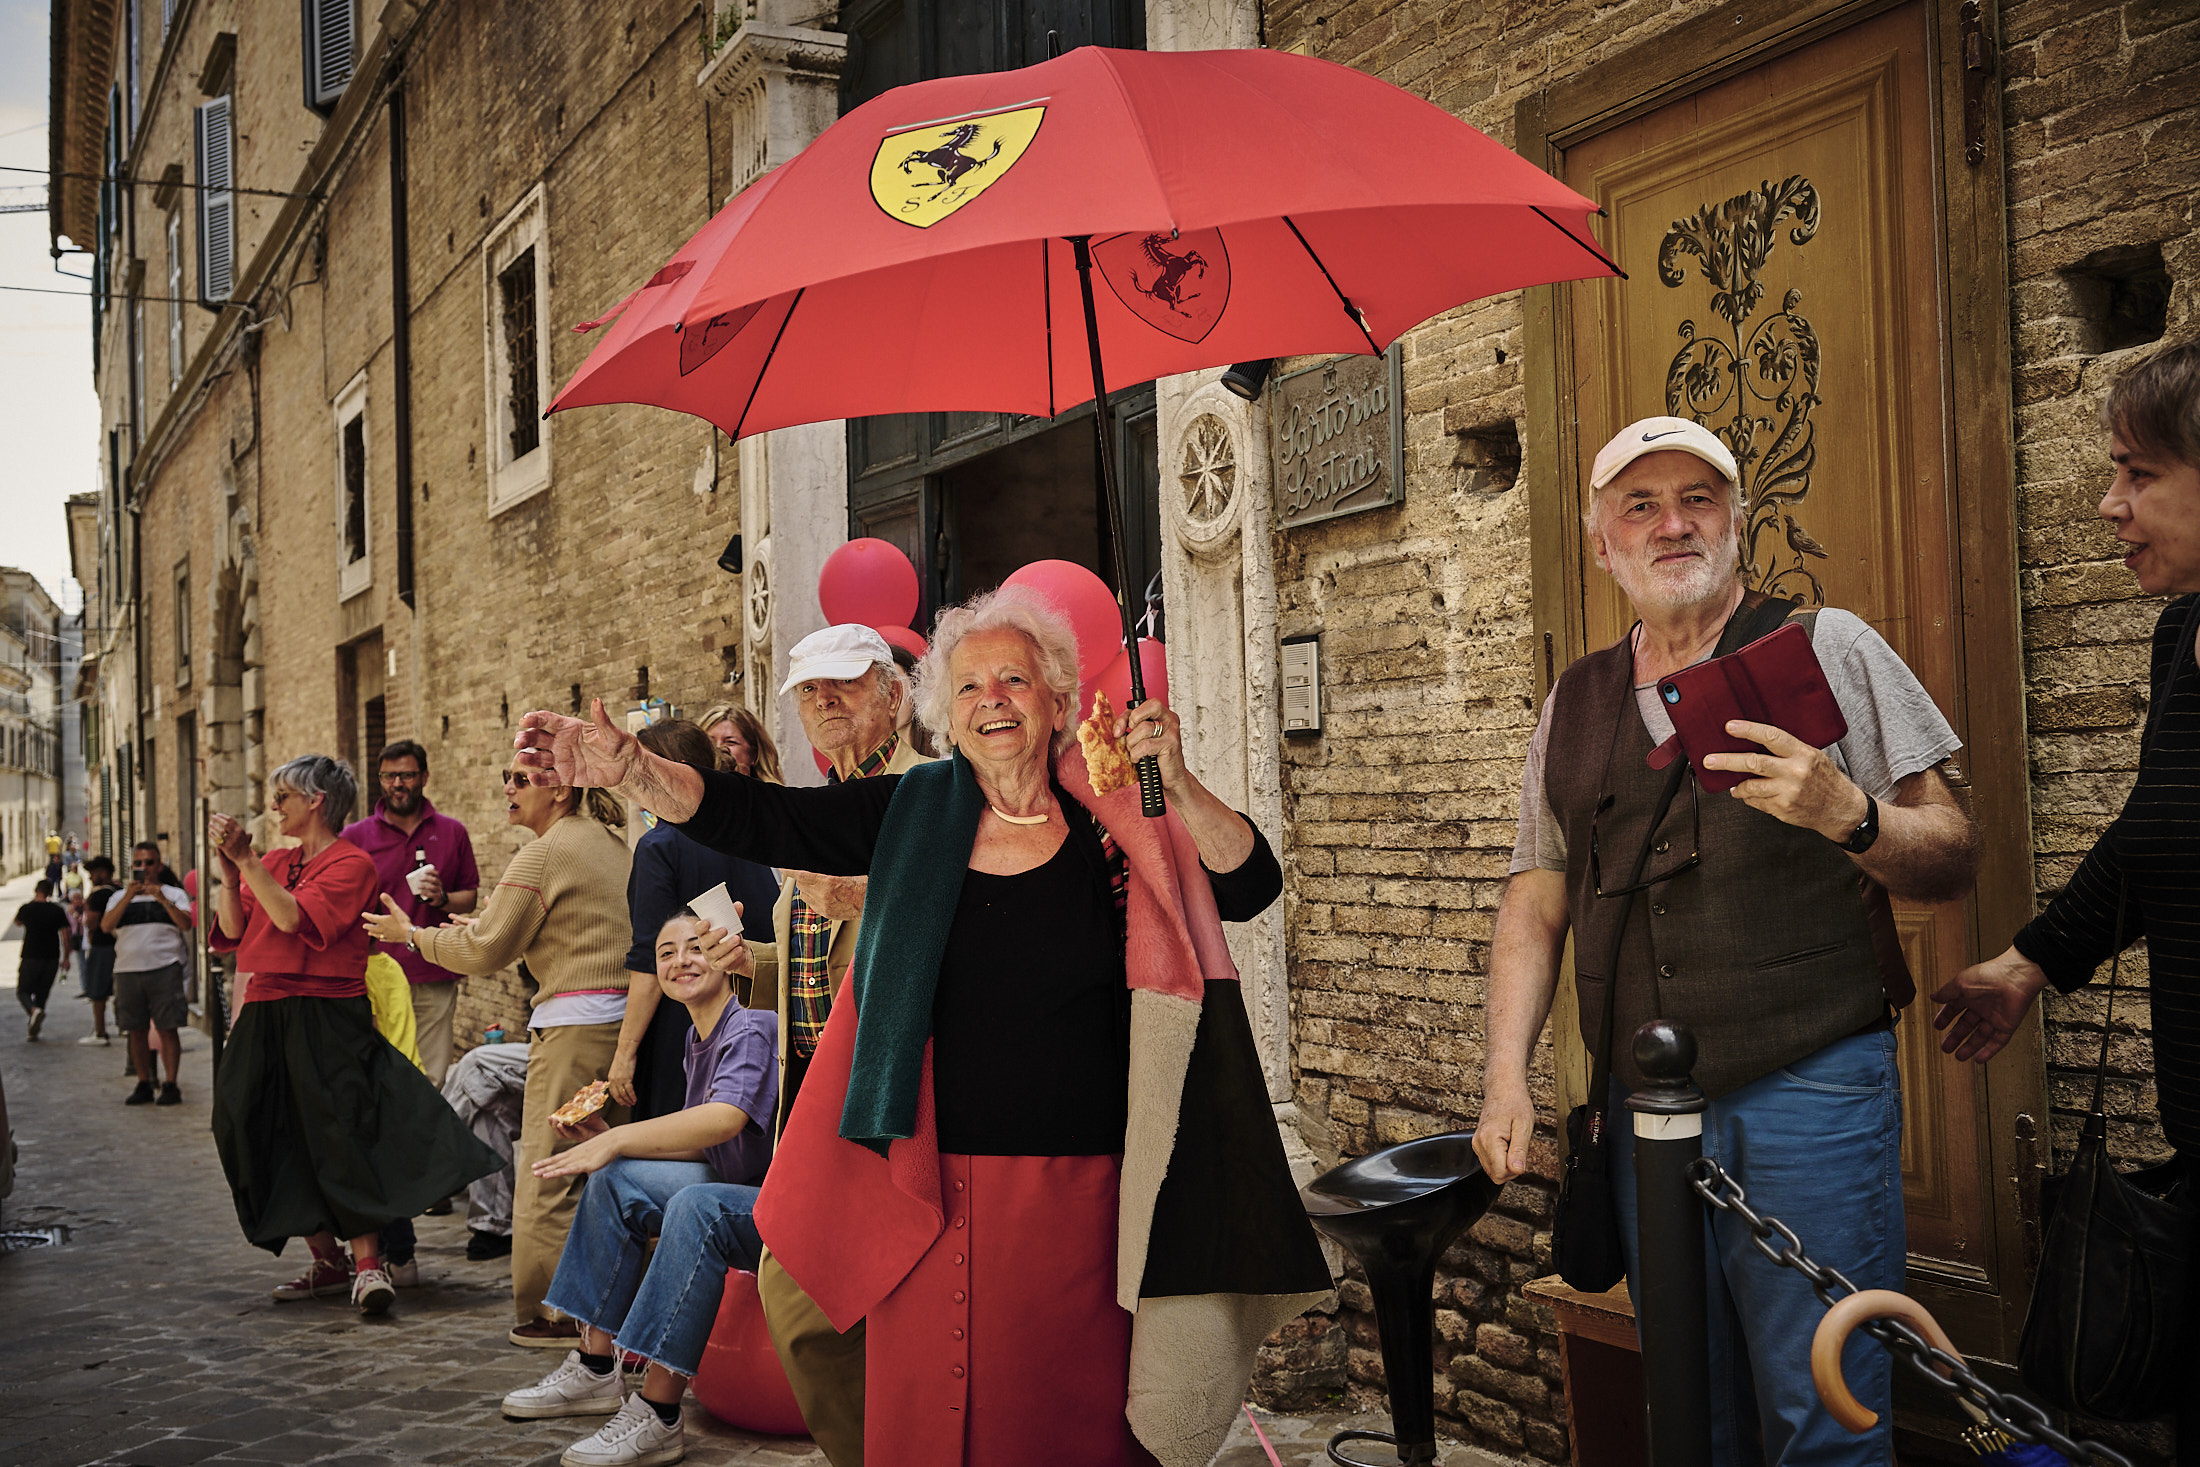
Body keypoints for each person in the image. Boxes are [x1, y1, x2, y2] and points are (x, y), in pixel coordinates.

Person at [514, 586, 1330, 1467]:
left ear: (1057, 698)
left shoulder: (1114, 816)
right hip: (928, 1191)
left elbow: (1249, 885)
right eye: (971, 686)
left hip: (1086, 1195)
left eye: (1016, 679)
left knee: (1068, 1424)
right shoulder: (914, 810)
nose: (994, 701)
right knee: (935, 1422)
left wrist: (1175, 783)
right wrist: (632, 768)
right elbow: (760, 814)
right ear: (946, 712)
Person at [1471, 416, 1978, 1466]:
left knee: (1825, 1408)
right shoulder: (1573, 702)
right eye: (1639, 506)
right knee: (1689, 1412)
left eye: (1697, 499)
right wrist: (1503, 1078)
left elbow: (1953, 852)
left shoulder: (1827, 648)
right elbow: (1535, 895)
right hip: (1640, 1116)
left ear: (1738, 526)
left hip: (1808, 1088)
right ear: (1600, 542)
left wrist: (1850, 813)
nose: (1671, 524)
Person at [1932, 340, 2200, 1452]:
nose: (2108, 504)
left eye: (2138, 473)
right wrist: (2029, 959)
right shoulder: (2183, 634)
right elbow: (2156, 835)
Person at [733, 623, 935, 1466]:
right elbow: (816, 967)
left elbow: (951, 929)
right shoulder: (819, 808)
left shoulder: (930, 790)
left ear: (893, 693)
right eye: (809, 691)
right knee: (814, 1297)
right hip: (817, 1105)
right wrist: (744, 960)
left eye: (844, 685)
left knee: (817, 1297)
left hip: (898, 1099)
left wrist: (863, 899)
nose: (823, 702)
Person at [208, 755, 502, 1316]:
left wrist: (246, 860)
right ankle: (326, 1258)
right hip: (267, 1007)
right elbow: (231, 929)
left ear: (316, 801)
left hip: (328, 1010)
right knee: (250, 1124)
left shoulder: (351, 865)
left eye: (284, 796)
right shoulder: (272, 860)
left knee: (340, 1128)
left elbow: (293, 919)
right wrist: (231, 873)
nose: (276, 807)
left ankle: (368, 1266)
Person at [362, 765, 635, 1349]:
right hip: (612, 1025)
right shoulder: (603, 840)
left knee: (546, 1174)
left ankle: (556, 1314)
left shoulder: (543, 853)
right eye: (507, 775)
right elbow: (555, 925)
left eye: (522, 776)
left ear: (561, 789)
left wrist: (412, 934)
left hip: (572, 1028)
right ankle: (602, 1307)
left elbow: (485, 951)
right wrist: (480, 925)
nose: (507, 787)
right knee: (599, 1169)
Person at [500, 909, 778, 1467]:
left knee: (696, 1206)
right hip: (735, 1183)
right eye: (666, 952)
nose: (680, 961)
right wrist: (616, 1145)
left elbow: (724, 1119)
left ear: (725, 956)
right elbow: (706, 1142)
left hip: (777, 1205)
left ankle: (660, 1413)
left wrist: (623, 1136)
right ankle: (595, 1368)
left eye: (695, 947)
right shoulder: (697, 1038)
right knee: (617, 1177)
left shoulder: (752, 1024)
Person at [612, 720, 778, 1122]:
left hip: (688, 1028)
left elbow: (651, 963)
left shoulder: (659, 847)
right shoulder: (749, 836)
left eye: (639, 768)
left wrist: (624, 1052)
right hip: (756, 1020)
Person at [341, 738, 482, 1083]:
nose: (397, 784)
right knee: (375, 1072)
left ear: (424, 777)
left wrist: (443, 898)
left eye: (406, 775)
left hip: (433, 969)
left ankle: (423, 1137)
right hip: (371, 975)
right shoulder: (355, 836)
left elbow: (470, 898)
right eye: (388, 776)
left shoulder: (452, 832)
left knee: (431, 1076)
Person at [101, 840, 195, 1107]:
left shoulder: (174, 894)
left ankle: (171, 1084)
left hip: (165, 968)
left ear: (159, 865)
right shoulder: (118, 897)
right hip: (128, 971)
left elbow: (186, 924)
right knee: (136, 1030)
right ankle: (143, 1082)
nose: (144, 868)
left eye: (149, 863)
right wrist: (129, 895)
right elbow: (106, 926)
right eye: (138, 864)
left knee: (168, 1028)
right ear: (132, 867)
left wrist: (161, 898)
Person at [443, 1038, 530, 1260]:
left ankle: (436, 1162)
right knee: (488, 1105)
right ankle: (494, 1224)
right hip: (556, 1040)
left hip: (584, 1042)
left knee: (478, 1066)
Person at [9, 881, 72, 1039]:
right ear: (50, 892)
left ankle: (32, 1011)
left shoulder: (27, 908)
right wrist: (66, 957)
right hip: (51, 957)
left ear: (36, 890)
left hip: (30, 955)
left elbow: (17, 922)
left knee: (22, 991)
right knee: (42, 994)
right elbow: (66, 935)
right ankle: (33, 1030)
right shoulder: (57, 910)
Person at [78, 855, 119, 1046]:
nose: (91, 877)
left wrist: (86, 911)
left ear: (103, 873)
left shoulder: (99, 895)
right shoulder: (120, 891)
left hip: (102, 946)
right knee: (120, 989)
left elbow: (91, 922)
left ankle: (100, 1032)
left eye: (93, 873)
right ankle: (124, 1027)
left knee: (98, 991)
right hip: (121, 946)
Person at [696, 701, 782, 783]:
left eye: (730, 742)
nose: (718, 748)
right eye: (710, 742)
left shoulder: (769, 796)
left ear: (753, 754)